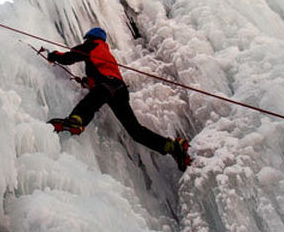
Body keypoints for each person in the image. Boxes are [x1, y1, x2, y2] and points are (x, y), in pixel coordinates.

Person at [46, 27, 191, 171]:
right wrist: (86, 82)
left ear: (90, 37)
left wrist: (53, 55)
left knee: (90, 102)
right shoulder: (105, 52)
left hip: (107, 85)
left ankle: (76, 121)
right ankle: (171, 146)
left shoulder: (92, 45)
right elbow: (100, 73)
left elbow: (71, 57)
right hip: (119, 90)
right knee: (135, 131)